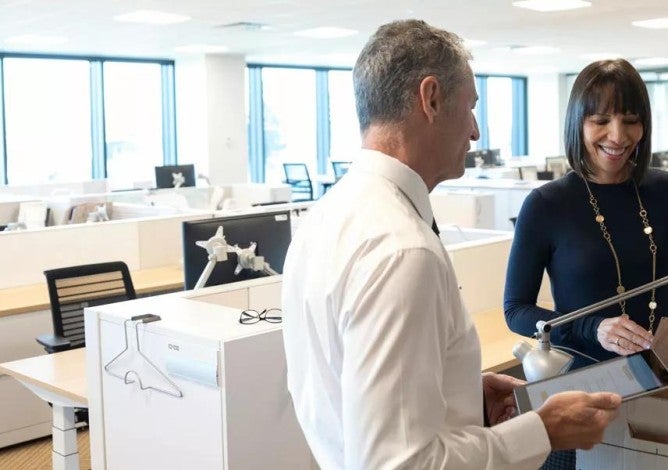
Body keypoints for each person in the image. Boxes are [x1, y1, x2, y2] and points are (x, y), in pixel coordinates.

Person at [282, 19, 621, 470]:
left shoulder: (325, 217)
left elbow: (347, 395)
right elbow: (399, 463)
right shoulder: (402, 251)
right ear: (432, 98)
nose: (476, 131)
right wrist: (541, 430)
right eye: (470, 106)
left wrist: (455, 393)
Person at [504, 58, 668, 468]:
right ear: (578, 122)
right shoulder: (546, 205)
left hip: (660, 384)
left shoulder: (664, 189)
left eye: (631, 120)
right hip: (582, 390)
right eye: (600, 120)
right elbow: (516, 310)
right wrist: (592, 326)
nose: (618, 136)